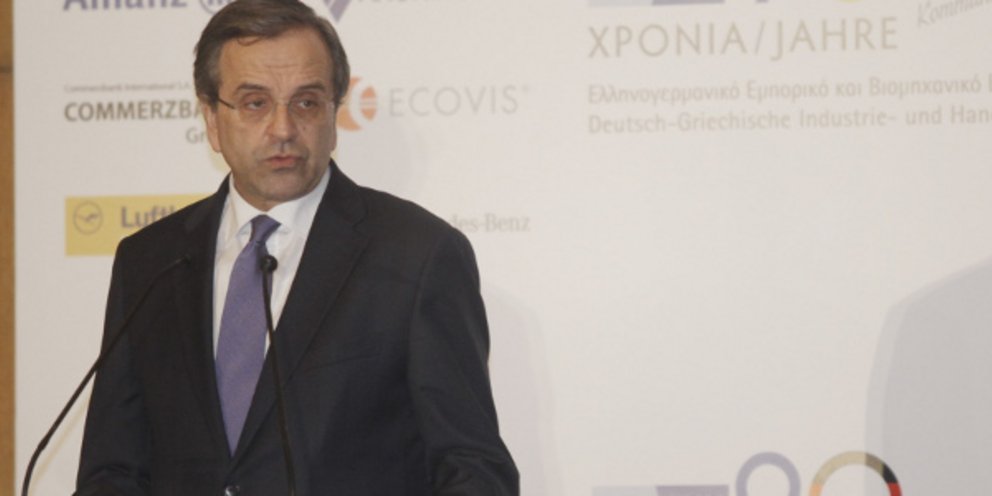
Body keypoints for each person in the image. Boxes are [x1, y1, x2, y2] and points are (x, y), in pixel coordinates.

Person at [75, 0, 518, 494]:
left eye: (306, 102)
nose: (283, 129)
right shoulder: (150, 260)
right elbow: (112, 469)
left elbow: (473, 468)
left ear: (334, 112)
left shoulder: (417, 255)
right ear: (212, 119)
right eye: (255, 103)